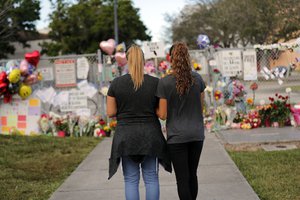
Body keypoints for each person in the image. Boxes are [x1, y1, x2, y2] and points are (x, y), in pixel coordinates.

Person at [107, 45, 172, 200]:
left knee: (130, 180)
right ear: (143, 61)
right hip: (150, 135)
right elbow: (163, 114)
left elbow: (111, 112)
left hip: (126, 136)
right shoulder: (156, 83)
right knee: (151, 178)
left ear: (127, 61)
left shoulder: (116, 84)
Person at [156, 42, 206, 200]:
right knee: (193, 175)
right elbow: (201, 106)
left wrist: (153, 108)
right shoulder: (198, 79)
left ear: (170, 58)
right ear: (187, 57)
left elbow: (162, 115)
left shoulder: (164, 82)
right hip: (197, 135)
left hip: (177, 137)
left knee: (182, 179)